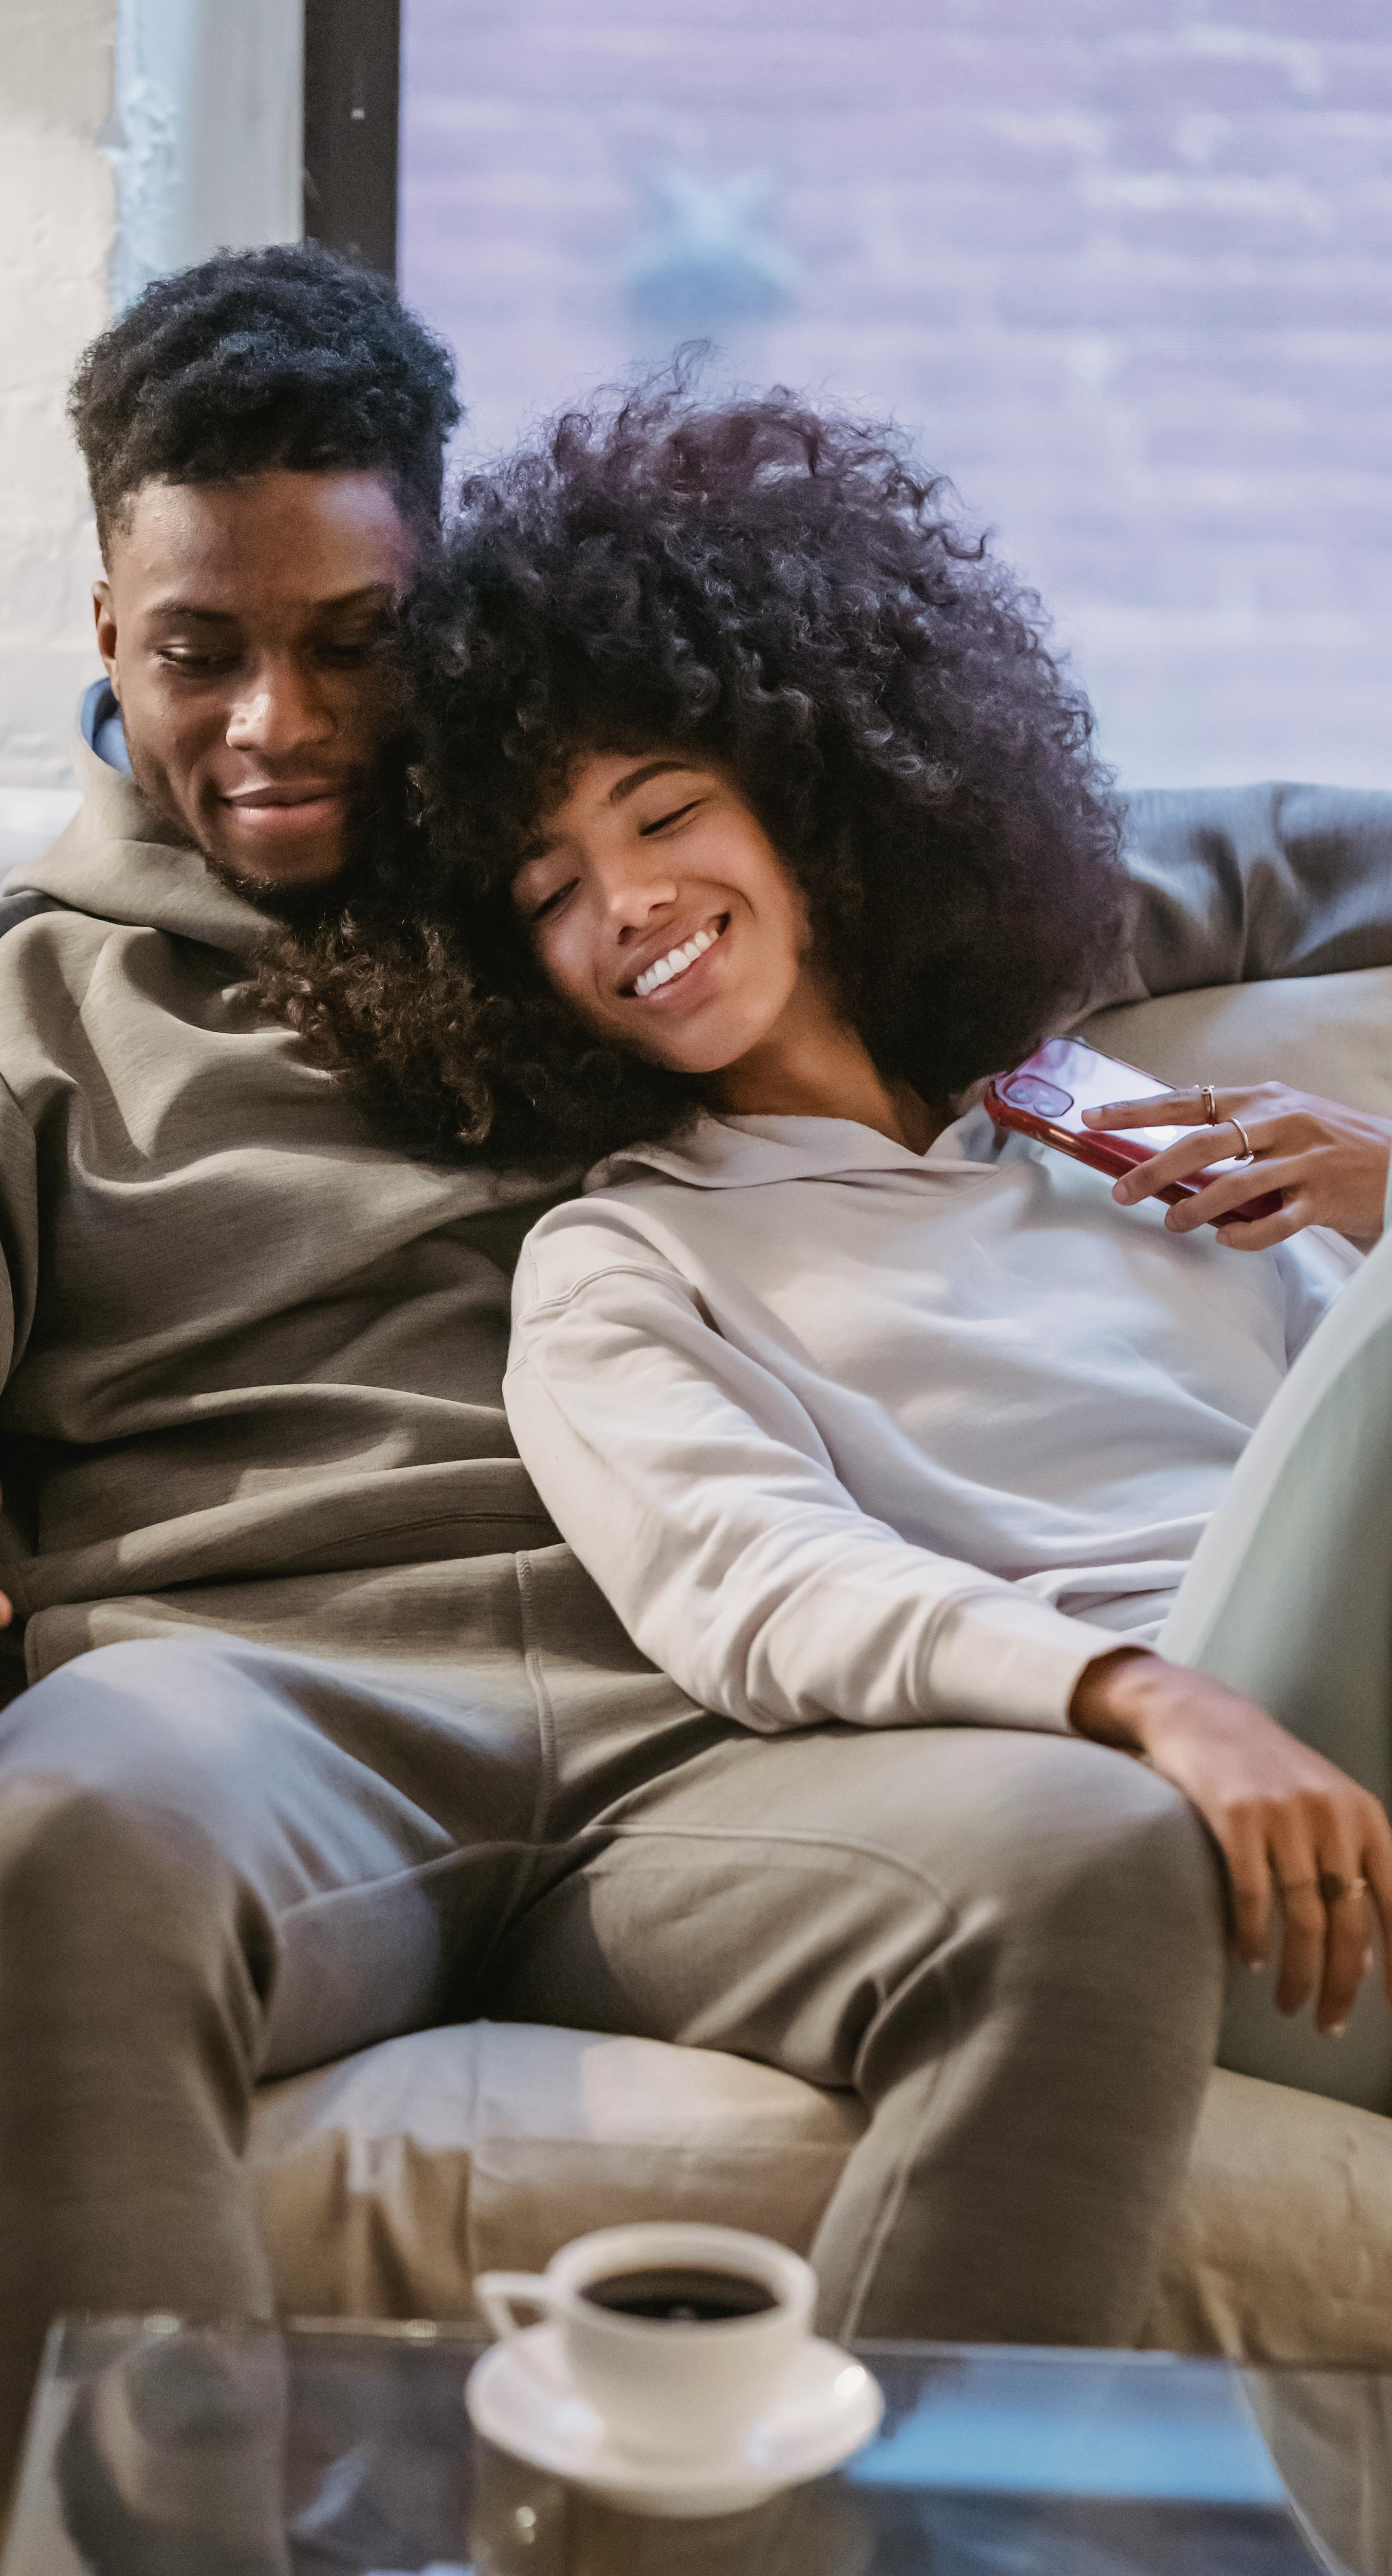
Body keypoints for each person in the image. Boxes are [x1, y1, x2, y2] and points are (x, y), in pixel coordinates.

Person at [0, 248, 1392, 2483]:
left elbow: (1194, 859)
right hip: (269, 1701)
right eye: (199, 651)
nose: (273, 721)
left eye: (346, 646)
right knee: (76, 1816)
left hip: (722, 1739)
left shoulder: (636, 885)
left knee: (1086, 1857)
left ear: (436, 605)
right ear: (107, 633)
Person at [277, 383, 1392, 2118]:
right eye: (548, 889)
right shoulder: (626, 1265)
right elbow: (769, 1596)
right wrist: (1154, 1703)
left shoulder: (1098, 1114)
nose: (625, 902)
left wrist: (1386, 1208)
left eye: (662, 815)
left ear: (810, 792)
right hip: (1204, 1796)